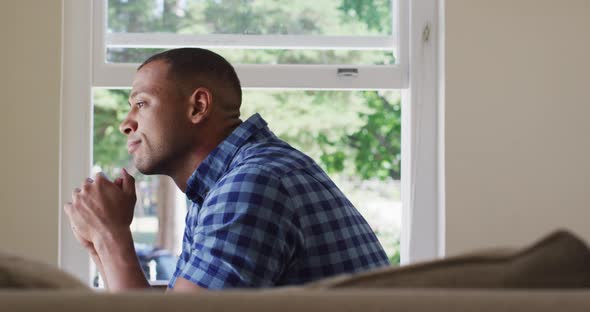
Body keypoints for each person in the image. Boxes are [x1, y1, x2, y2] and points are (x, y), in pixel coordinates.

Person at [64, 48, 389, 292]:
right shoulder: (220, 186)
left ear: (198, 107)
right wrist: (98, 242)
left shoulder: (254, 184)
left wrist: (111, 236)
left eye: (141, 103)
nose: (125, 123)